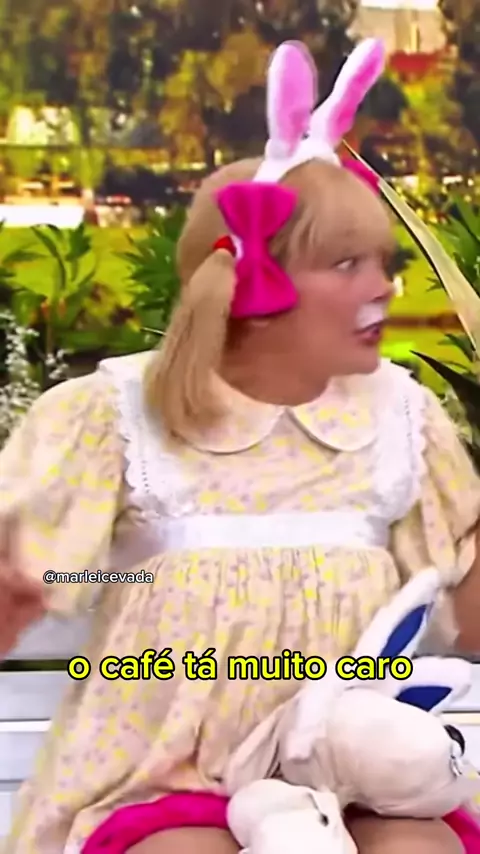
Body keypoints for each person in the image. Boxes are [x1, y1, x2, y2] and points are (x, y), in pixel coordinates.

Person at [1, 37, 480, 854]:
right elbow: (22, 578)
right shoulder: (116, 415)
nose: (384, 287)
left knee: (417, 850)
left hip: (350, 770)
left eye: (383, 262)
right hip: (167, 778)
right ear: (255, 287)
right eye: (348, 264)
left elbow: (468, 616)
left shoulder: (401, 418)